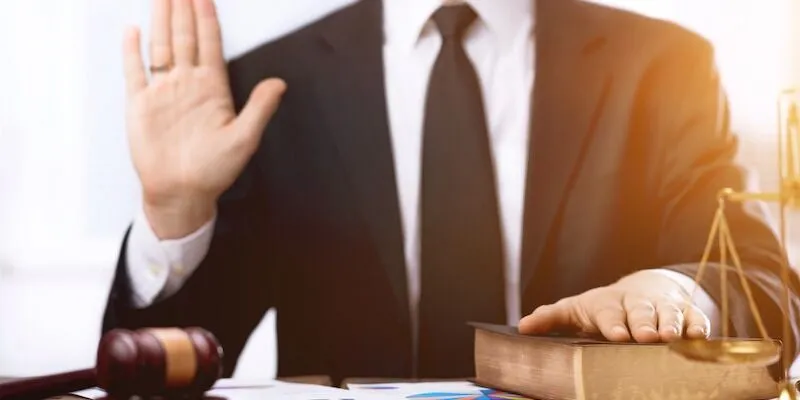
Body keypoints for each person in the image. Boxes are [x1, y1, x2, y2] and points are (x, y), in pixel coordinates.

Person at [102, 0, 800, 383]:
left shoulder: (665, 66)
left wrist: (683, 295)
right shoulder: (271, 87)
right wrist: (176, 215)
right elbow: (148, 367)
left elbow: (766, 291)